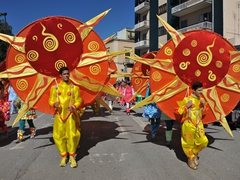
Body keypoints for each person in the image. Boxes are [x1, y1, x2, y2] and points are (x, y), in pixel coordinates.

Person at [49, 67, 82, 168]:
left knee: (72, 135)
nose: (67, 75)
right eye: (64, 74)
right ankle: (64, 156)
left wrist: (74, 106)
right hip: (59, 115)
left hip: (70, 115)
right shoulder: (55, 88)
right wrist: (54, 104)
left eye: (68, 74)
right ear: (60, 75)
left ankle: (72, 156)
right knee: (58, 136)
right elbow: (50, 100)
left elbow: (79, 100)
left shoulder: (74, 88)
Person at [178, 81, 208, 170]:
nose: (201, 92)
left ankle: (194, 153)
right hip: (188, 124)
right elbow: (179, 111)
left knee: (203, 141)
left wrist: (203, 106)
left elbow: (203, 113)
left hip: (199, 125)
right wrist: (186, 106)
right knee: (188, 143)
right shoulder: (187, 99)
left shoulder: (201, 100)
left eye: (202, 90)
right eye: (199, 90)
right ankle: (190, 159)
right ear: (194, 90)